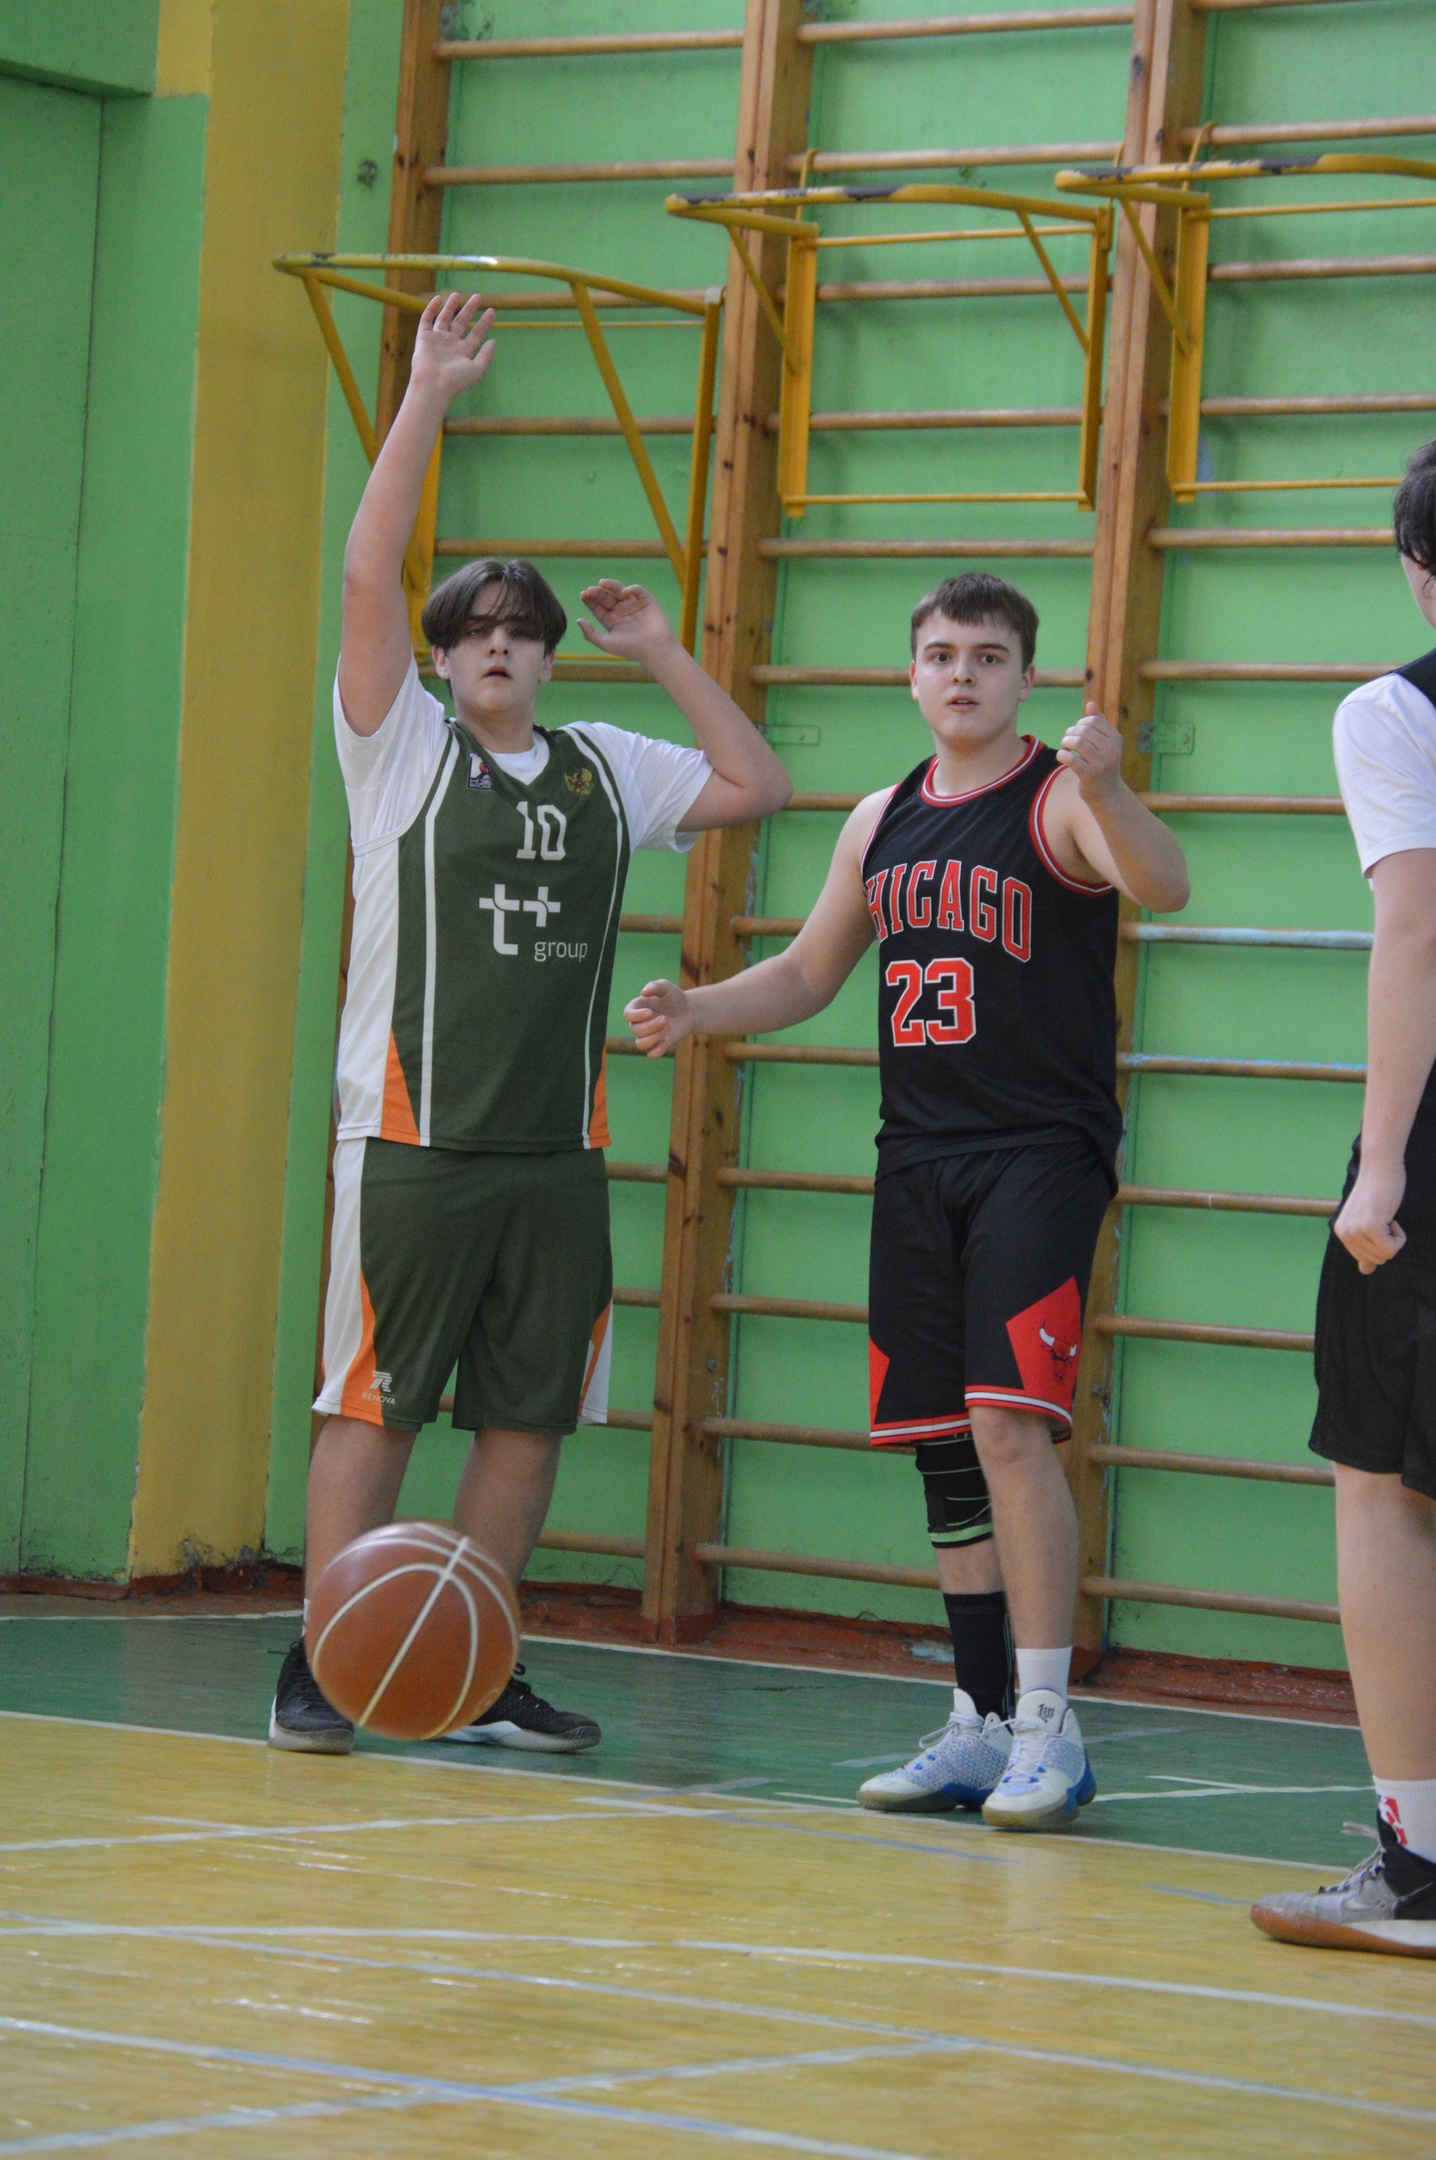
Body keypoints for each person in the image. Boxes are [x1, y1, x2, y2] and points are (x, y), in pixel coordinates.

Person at [270, 291, 791, 1754]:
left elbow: (757, 785)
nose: (496, 647)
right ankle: (320, 1662)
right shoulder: (398, 750)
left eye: (520, 632)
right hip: (412, 1144)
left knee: (527, 1421)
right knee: (373, 1411)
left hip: (556, 1155)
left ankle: (472, 1666)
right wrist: (428, 394)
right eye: (473, 633)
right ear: (439, 661)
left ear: (551, 657)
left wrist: (665, 650)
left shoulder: (606, 764)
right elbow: (368, 575)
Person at [626, 573, 1188, 1827]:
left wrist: (1108, 786)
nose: (961, 675)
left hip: (1037, 1152)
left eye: (987, 656)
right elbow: (805, 972)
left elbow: (1164, 886)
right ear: (911, 673)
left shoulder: (1057, 797)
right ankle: (977, 1721)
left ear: (1025, 677)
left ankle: (1047, 1725)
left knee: (1006, 1427)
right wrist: (699, 1006)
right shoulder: (878, 818)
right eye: (940, 654)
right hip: (917, 1159)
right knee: (942, 1446)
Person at [1252, 443, 1436, 1956]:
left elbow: (1416, 929)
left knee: (1380, 1479)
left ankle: (1418, 1864)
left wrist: (1381, 1163)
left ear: (1416, 568)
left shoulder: (1395, 711)